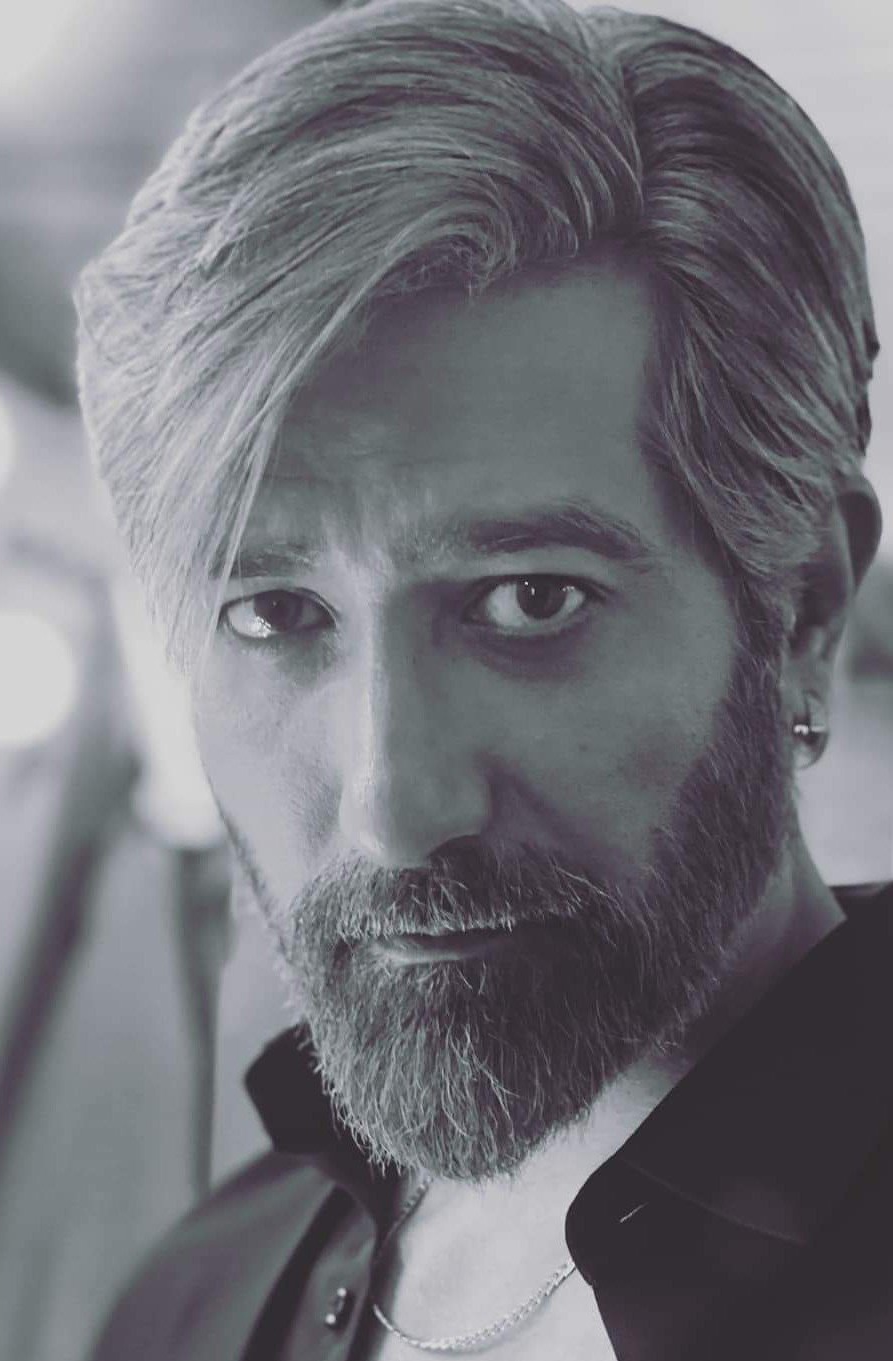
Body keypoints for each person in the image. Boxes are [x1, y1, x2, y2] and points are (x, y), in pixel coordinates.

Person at [74, 0, 892, 1356]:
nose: (397, 809)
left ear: (803, 608)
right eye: (275, 612)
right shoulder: (190, 1302)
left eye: (529, 600)